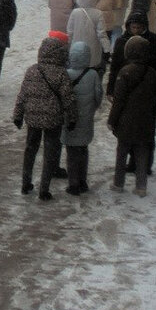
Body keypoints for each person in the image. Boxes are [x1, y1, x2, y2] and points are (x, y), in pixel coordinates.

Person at [12, 36, 77, 200]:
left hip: (33, 119)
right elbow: (68, 98)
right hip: (53, 120)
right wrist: (72, 118)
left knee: (30, 150)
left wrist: (18, 115)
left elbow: (22, 95)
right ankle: (44, 190)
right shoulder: (61, 73)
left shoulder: (32, 70)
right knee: (50, 153)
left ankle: (25, 183)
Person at [108, 36, 156, 197]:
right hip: (145, 120)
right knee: (142, 153)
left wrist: (112, 120)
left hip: (126, 120)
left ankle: (118, 182)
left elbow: (119, 100)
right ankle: (141, 185)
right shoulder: (152, 72)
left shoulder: (125, 72)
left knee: (122, 152)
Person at [63, 41, 103, 196]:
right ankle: (82, 180)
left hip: (70, 121)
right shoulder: (92, 74)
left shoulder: (66, 73)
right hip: (86, 120)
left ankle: (73, 183)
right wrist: (92, 108)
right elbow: (98, 95)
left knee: (71, 153)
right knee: (83, 151)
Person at [66, 0, 108, 75]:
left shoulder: (75, 12)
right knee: (91, 71)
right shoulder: (98, 13)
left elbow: (69, 31)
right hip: (93, 50)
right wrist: (107, 48)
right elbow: (102, 33)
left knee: (77, 72)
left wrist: (68, 46)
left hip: (76, 48)